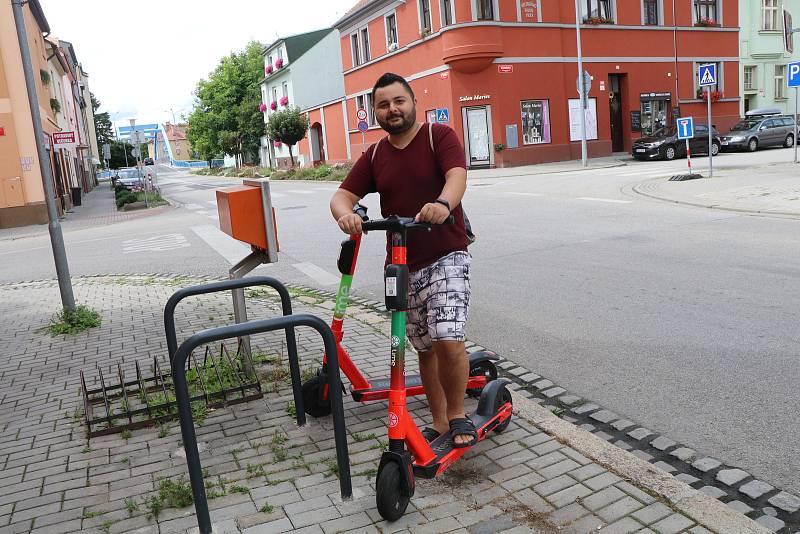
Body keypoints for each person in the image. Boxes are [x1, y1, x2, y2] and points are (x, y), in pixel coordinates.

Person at [330, 72, 475, 447]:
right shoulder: (375, 155)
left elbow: (457, 176)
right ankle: (440, 422)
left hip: (447, 253)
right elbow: (342, 196)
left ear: (413, 102)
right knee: (424, 348)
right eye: (383, 104)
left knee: (447, 337)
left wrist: (444, 203)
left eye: (399, 101)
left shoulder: (437, 137)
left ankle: (458, 416)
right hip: (402, 266)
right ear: (375, 112)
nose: (392, 109)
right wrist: (346, 214)